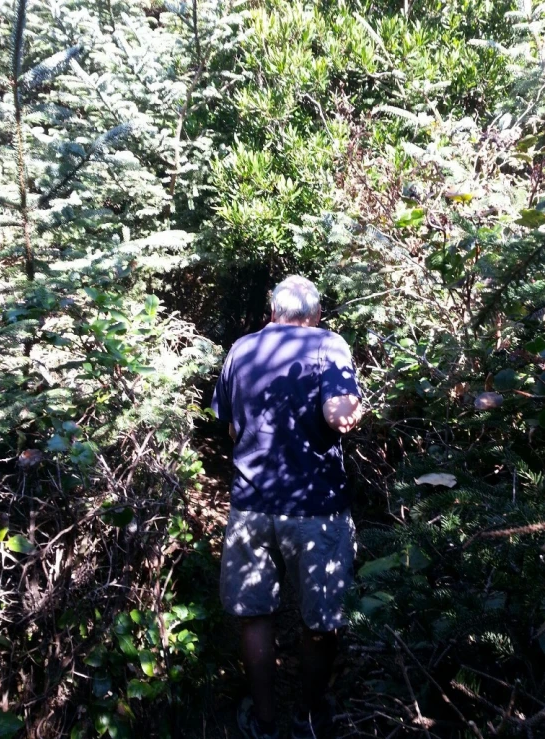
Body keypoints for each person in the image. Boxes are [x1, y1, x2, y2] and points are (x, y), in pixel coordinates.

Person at [212, 275, 362, 739]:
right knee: (321, 618)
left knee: (256, 615)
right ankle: (310, 718)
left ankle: (264, 721)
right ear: (315, 315)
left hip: (250, 505)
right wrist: (360, 407)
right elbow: (340, 418)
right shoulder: (328, 343)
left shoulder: (239, 350)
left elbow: (233, 430)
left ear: (272, 312)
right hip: (315, 508)